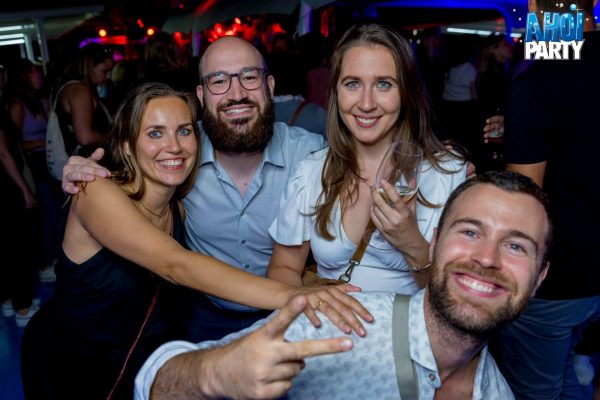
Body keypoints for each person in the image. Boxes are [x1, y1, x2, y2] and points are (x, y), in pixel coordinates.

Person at [22, 82, 369, 400]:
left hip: (143, 364)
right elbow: (175, 264)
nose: (173, 146)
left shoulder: (180, 205)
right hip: (71, 363)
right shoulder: (95, 190)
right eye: (155, 133)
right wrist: (294, 296)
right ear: (126, 145)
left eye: (184, 131)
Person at [135, 170, 552, 400]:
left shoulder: (498, 393)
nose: (487, 258)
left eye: (516, 246)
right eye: (470, 232)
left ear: (539, 278)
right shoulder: (343, 325)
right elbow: (155, 381)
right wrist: (211, 375)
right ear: (436, 240)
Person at [61, 36, 353, 342]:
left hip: (157, 342)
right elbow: (175, 262)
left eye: (249, 77)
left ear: (270, 86)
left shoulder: (310, 155)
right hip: (189, 323)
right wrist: (80, 174)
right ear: (202, 95)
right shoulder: (142, 178)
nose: (236, 93)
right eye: (219, 81)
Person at [267, 24, 466, 294]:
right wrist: (313, 299)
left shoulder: (447, 173)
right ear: (336, 92)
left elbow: (457, 297)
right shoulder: (312, 171)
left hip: (409, 321)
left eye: (384, 84)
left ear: (406, 93)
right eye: (353, 84)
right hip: (328, 321)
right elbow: (284, 268)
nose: (367, 103)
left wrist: (412, 243)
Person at [494, 1, 600, 399]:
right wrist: (526, 128)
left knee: (535, 389)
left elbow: (526, 198)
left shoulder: (537, 81)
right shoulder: (544, 80)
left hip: (561, 277)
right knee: (569, 377)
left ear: (537, 8)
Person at [0, 58, 63, 283]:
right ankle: (45, 264)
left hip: (46, 163)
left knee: (55, 213)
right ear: (25, 76)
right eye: (36, 71)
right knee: (46, 215)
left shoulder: (38, 99)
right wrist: (42, 142)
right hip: (33, 165)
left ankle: (53, 259)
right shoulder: (17, 105)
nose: (40, 74)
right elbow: (13, 145)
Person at [0, 117, 39, 327]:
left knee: (7, 247)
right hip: (7, 189)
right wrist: (25, 189)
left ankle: (8, 301)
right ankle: (23, 308)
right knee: (18, 248)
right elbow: (3, 152)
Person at [54, 43, 115, 160]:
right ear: (89, 67)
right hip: (86, 161)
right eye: (105, 71)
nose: (108, 77)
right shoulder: (79, 91)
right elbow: (85, 137)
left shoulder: (74, 87)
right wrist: (115, 138)